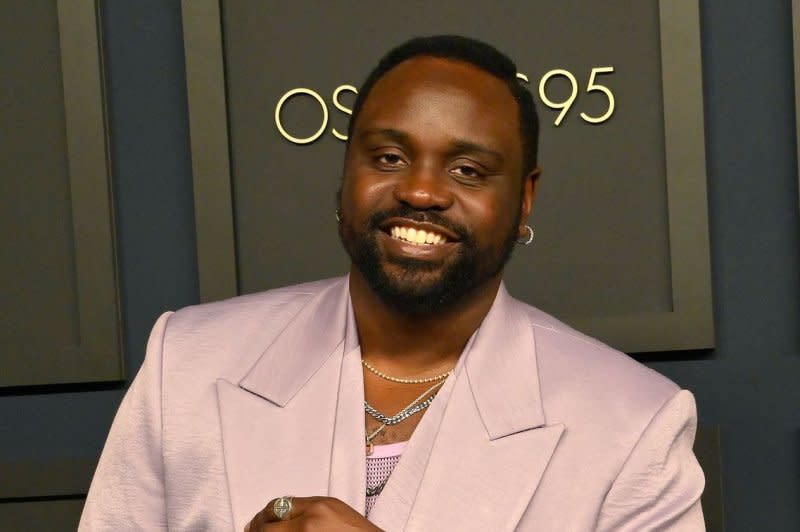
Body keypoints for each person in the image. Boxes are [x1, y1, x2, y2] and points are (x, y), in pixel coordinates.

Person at [80, 35, 705, 531]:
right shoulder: (184, 364)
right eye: (388, 158)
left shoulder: (632, 426)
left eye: (467, 168)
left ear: (524, 200)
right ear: (345, 172)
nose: (422, 191)